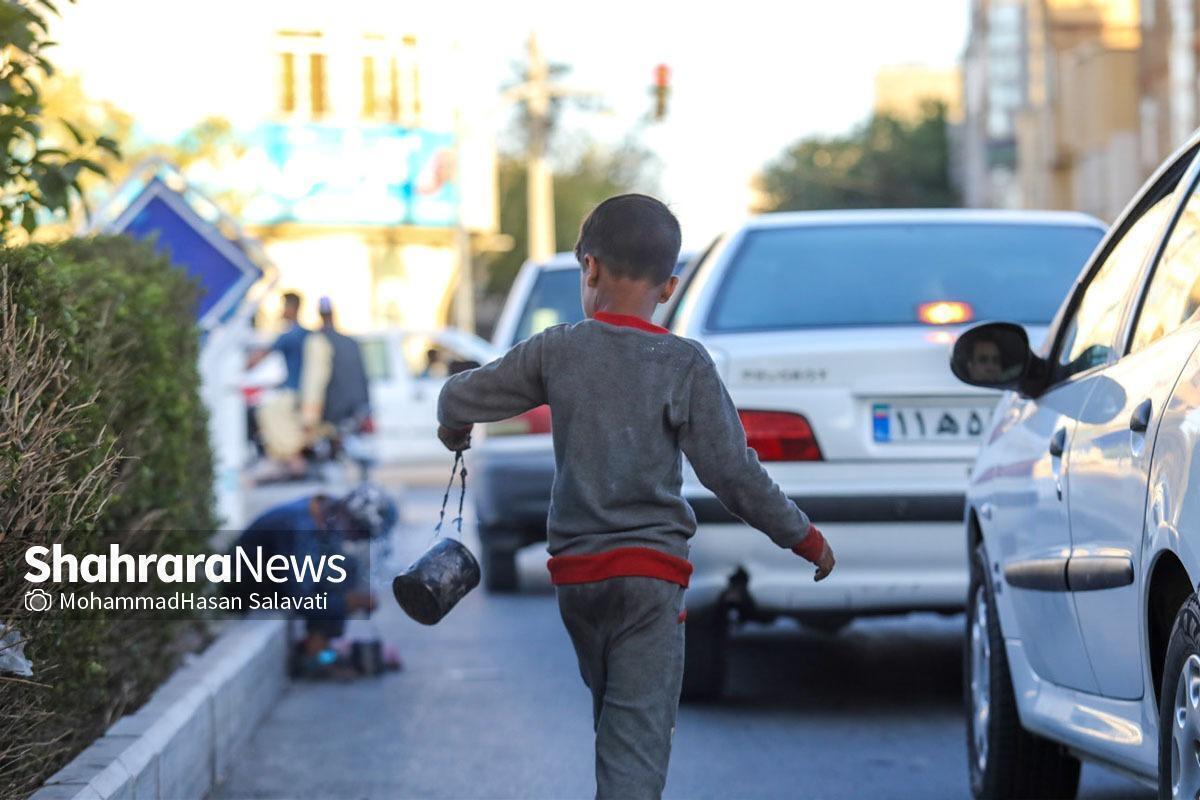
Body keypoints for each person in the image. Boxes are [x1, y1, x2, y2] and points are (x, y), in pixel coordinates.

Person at [432, 194, 836, 799]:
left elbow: (457, 397)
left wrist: (454, 428)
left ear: (587, 269)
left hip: (578, 580)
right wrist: (805, 538)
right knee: (634, 752)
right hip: (650, 578)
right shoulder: (683, 364)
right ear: (670, 287)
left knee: (614, 730)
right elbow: (735, 474)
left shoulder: (557, 349)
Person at [233, 484, 397, 678]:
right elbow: (299, 598)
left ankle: (321, 650)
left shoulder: (325, 512)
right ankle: (315, 656)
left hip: (273, 580)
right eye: (361, 533)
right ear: (352, 521)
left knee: (345, 567)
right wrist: (348, 602)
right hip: (246, 589)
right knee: (339, 576)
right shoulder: (299, 526)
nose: (356, 539)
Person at [247, 292, 310, 480]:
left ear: (293, 308)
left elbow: (262, 355)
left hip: (293, 390)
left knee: (267, 413)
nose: (281, 311)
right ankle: (291, 460)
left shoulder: (291, 335)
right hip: (301, 389)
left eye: (284, 306)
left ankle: (290, 459)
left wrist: (241, 367)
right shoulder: (306, 334)